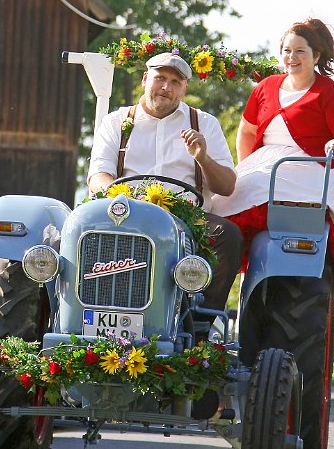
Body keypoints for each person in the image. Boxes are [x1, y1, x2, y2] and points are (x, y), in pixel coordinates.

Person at [211, 18, 334, 298]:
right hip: (265, 164)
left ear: (316, 55)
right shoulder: (266, 87)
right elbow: (247, 130)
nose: (291, 57)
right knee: (216, 208)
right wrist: (246, 166)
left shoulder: (330, 93)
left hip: (311, 164)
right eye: (286, 50)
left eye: (300, 51)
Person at [87, 51, 245, 313]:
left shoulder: (204, 124)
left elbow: (226, 186)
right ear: (145, 79)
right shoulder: (116, 122)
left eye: (175, 82)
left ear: (184, 89)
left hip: (188, 220)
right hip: (126, 215)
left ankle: (201, 325)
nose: (166, 87)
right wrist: (119, 198)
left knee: (228, 235)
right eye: (160, 78)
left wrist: (203, 158)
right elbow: (98, 176)